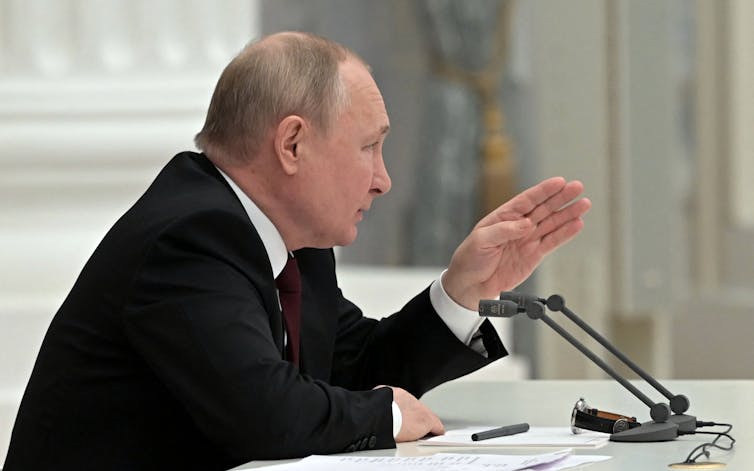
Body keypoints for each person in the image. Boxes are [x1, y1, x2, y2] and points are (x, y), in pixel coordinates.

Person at [3, 32, 591, 471]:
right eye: (368, 148)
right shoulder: (189, 238)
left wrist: (463, 289)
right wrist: (385, 414)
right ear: (292, 144)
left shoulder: (289, 239)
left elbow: (351, 369)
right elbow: (266, 416)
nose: (383, 180)